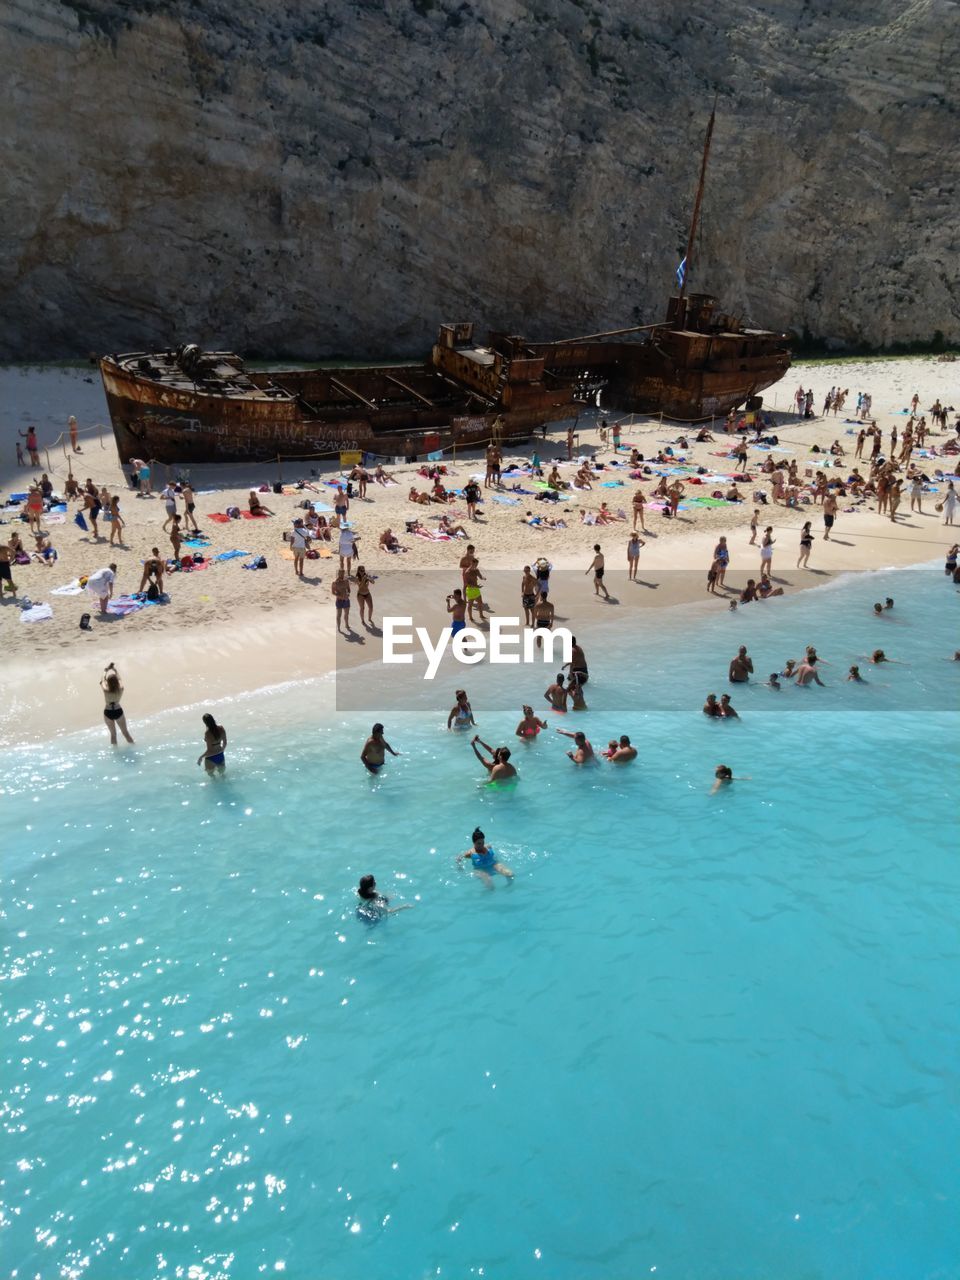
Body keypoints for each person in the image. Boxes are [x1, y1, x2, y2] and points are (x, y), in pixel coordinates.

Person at [100, 663, 134, 745]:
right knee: (125, 732)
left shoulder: (106, 690)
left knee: (113, 735)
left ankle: (115, 753)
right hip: (118, 711)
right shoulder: (121, 689)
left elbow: (102, 680)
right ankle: (133, 746)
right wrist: (115, 670)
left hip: (108, 712)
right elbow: (119, 679)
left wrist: (105, 671)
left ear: (108, 682)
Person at [463, 558, 486, 623]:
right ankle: (470, 617)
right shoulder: (467, 572)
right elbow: (467, 584)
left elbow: (480, 577)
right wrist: (476, 586)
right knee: (470, 604)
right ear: (471, 563)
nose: (476, 566)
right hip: (470, 590)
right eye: (475, 564)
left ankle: (481, 615)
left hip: (476, 589)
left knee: (480, 603)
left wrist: (483, 578)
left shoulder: (476, 570)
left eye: (477, 564)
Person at [332, 568, 351, 633]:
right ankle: (339, 628)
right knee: (339, 615)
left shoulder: (346, 581)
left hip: (346, 600)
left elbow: (349, 590)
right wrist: (340, 596)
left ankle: (347, 625)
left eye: (343, 573)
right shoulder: (335, 583)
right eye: (341, 573)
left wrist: (348, 594)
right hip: (339, 601)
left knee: (346, 614)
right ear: (338, 574)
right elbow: (333, 592)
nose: (342, 575)